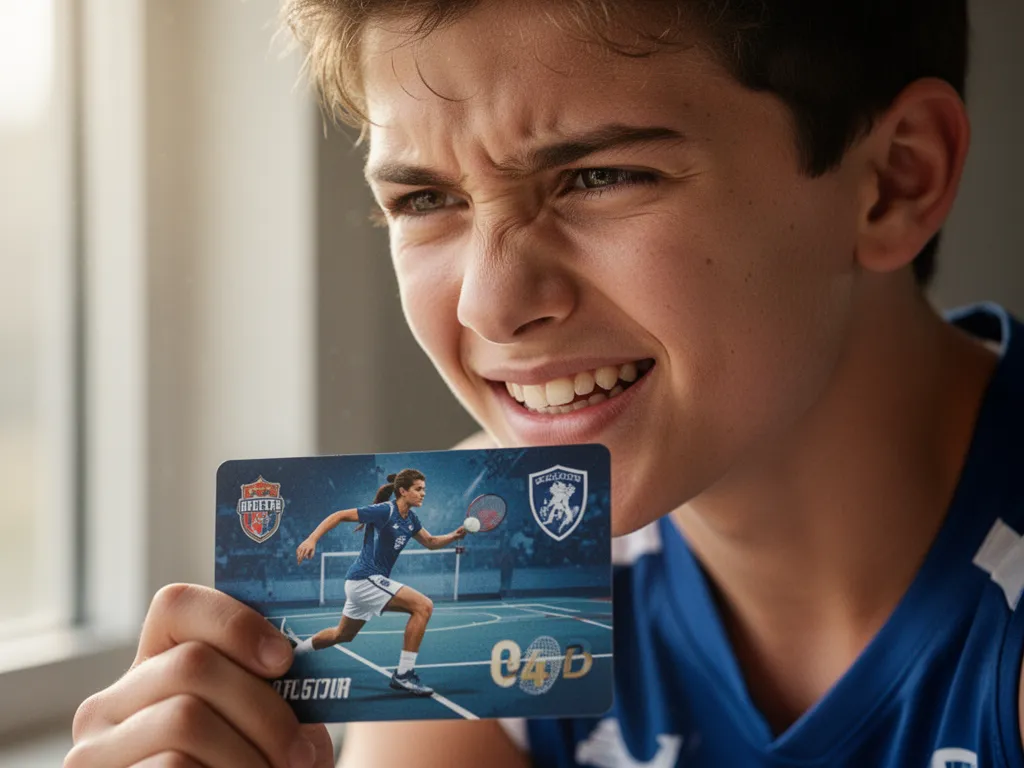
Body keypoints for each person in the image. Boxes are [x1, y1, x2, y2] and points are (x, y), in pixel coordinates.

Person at [64, 1, 1024, 767]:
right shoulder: (494, 574)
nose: (490, 304)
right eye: (425, 200)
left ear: (895, 180)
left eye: (600, 178)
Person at [290, 469, 467, 696]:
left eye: (424, 489)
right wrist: (312, 538)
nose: (423, 494)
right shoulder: (385, 510)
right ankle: (403, 675)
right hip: (365, 578)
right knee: (423, 606)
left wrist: (454, 535)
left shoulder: (411, 519)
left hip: (363, 583)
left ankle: (295, 653)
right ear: (403, 491)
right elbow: (339, 515)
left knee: (342, 635)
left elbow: (431, 542)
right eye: (418, 489)